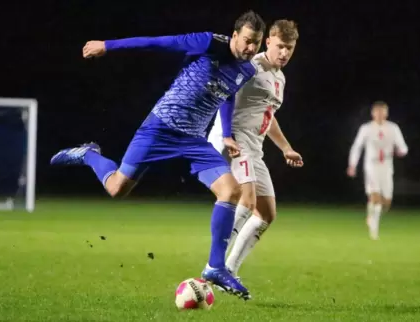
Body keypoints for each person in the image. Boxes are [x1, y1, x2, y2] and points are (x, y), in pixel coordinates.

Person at [50, 11, 266, 299]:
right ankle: (89, 154)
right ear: (235, 34)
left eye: (257, 43)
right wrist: (108, 45)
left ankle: (215, 266)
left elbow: (226, 95)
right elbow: (158, 43)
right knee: (116, 188)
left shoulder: (247, 69)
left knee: (230, 191)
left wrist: (226, 133)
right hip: (161, 128)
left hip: (193, 140)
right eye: (248, 41)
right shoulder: (207, 42)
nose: (251, 49)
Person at [208, 20, 302, 281]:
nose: (284, 53)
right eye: (280, 46)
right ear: (269, 41)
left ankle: (230, 270)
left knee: (266, 214)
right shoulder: (251, 67)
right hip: (236, 140)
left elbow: (267, 116)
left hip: (254, 147)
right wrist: (225, 134)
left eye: (290, 48)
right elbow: (223, 94)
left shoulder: (279, 77)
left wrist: (286, 148)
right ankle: (213, 266)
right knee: (246, 202)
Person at [347, 101, 408, 240]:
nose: (380, 115)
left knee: (386, 201)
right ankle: (373, 229)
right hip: (371, 166)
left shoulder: (393, 128)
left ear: (386, 113)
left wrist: (401, 152)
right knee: (375, 197)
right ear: (373, 113)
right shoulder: (366, 128)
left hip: (386, 167)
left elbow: (403, 147)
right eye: (377, 112)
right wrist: (352, 165)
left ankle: (371, 215)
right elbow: (357, 147)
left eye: (383, 112)